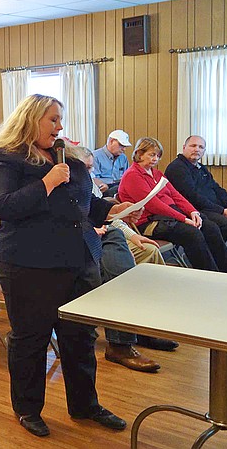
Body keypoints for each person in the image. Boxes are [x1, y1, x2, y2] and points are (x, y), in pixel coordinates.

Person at [0, 94, 132, 437]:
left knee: (80, 337)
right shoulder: (5, 160)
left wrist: (116, 208)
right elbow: (3, 205)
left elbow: (84, 202)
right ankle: (27, 409)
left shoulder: (64, 156)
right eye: (53, 119)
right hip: (28, 263)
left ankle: (85, 405)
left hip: (77, 258)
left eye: (60, 120)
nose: (60, 127)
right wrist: (47, 182)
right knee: (31, 339)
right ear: (31, 120)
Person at [75, 146, 170, 372]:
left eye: (91, 168)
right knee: (117, 267)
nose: (90, 174)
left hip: (102, 237)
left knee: (146, 250)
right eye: (85, 169)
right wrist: (87, 230)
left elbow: (111, 218)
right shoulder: (62, 188)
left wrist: (135, 235)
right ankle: (121, 342)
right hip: (77, 248)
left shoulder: (88, 187)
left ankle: (140, 327)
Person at [118, 137, 227, 273]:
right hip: (149, 222)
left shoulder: (157, 173)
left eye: (158, 155)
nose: (155, 159)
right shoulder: (133, 175)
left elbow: (176, 195)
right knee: (192, 234)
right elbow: (154, 205)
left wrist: (192, 212)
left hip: (168, 216)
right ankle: (209, 274)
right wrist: (183, 218)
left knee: (209, 227)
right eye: (151, 154)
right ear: (139, 154)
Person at [165, 135, 227, 241]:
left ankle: (212, 249)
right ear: (184, 147)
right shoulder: (177, 168)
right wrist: (222, 211)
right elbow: (192, 196)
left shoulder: (201, 168)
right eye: (193, 146)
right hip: (194, 210)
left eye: (201, 147)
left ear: (204, 151)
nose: (197, 149)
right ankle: (210, 251)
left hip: (211, 208)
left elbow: (217, 189)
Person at [92, 129, 132, 197]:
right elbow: (92, 177)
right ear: (111, 141)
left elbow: (127, 176)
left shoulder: (123, 158)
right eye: (121, 145)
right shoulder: (95, 156)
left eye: (125, 146)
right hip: (104, 189)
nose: (124, 149)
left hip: (120, 187)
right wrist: (101, 184)